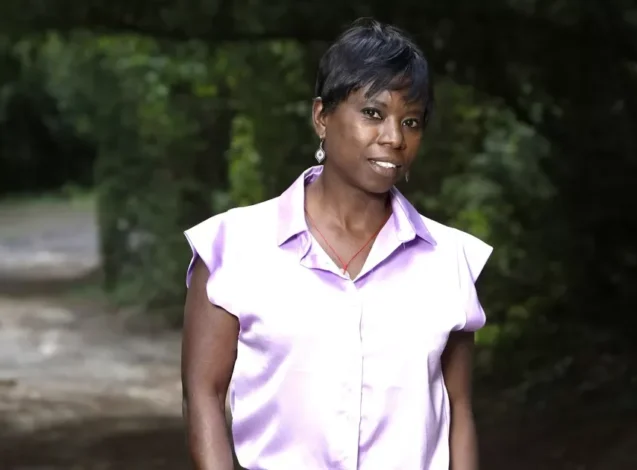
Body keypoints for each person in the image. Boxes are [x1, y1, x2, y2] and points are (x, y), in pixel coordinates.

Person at [181, 18, 492, 470]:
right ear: (321, 117)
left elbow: (458, 411)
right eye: (373, 113)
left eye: (410, 121)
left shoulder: (451, 261)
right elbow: (203, 395)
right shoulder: (231, 246)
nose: (394, 138)